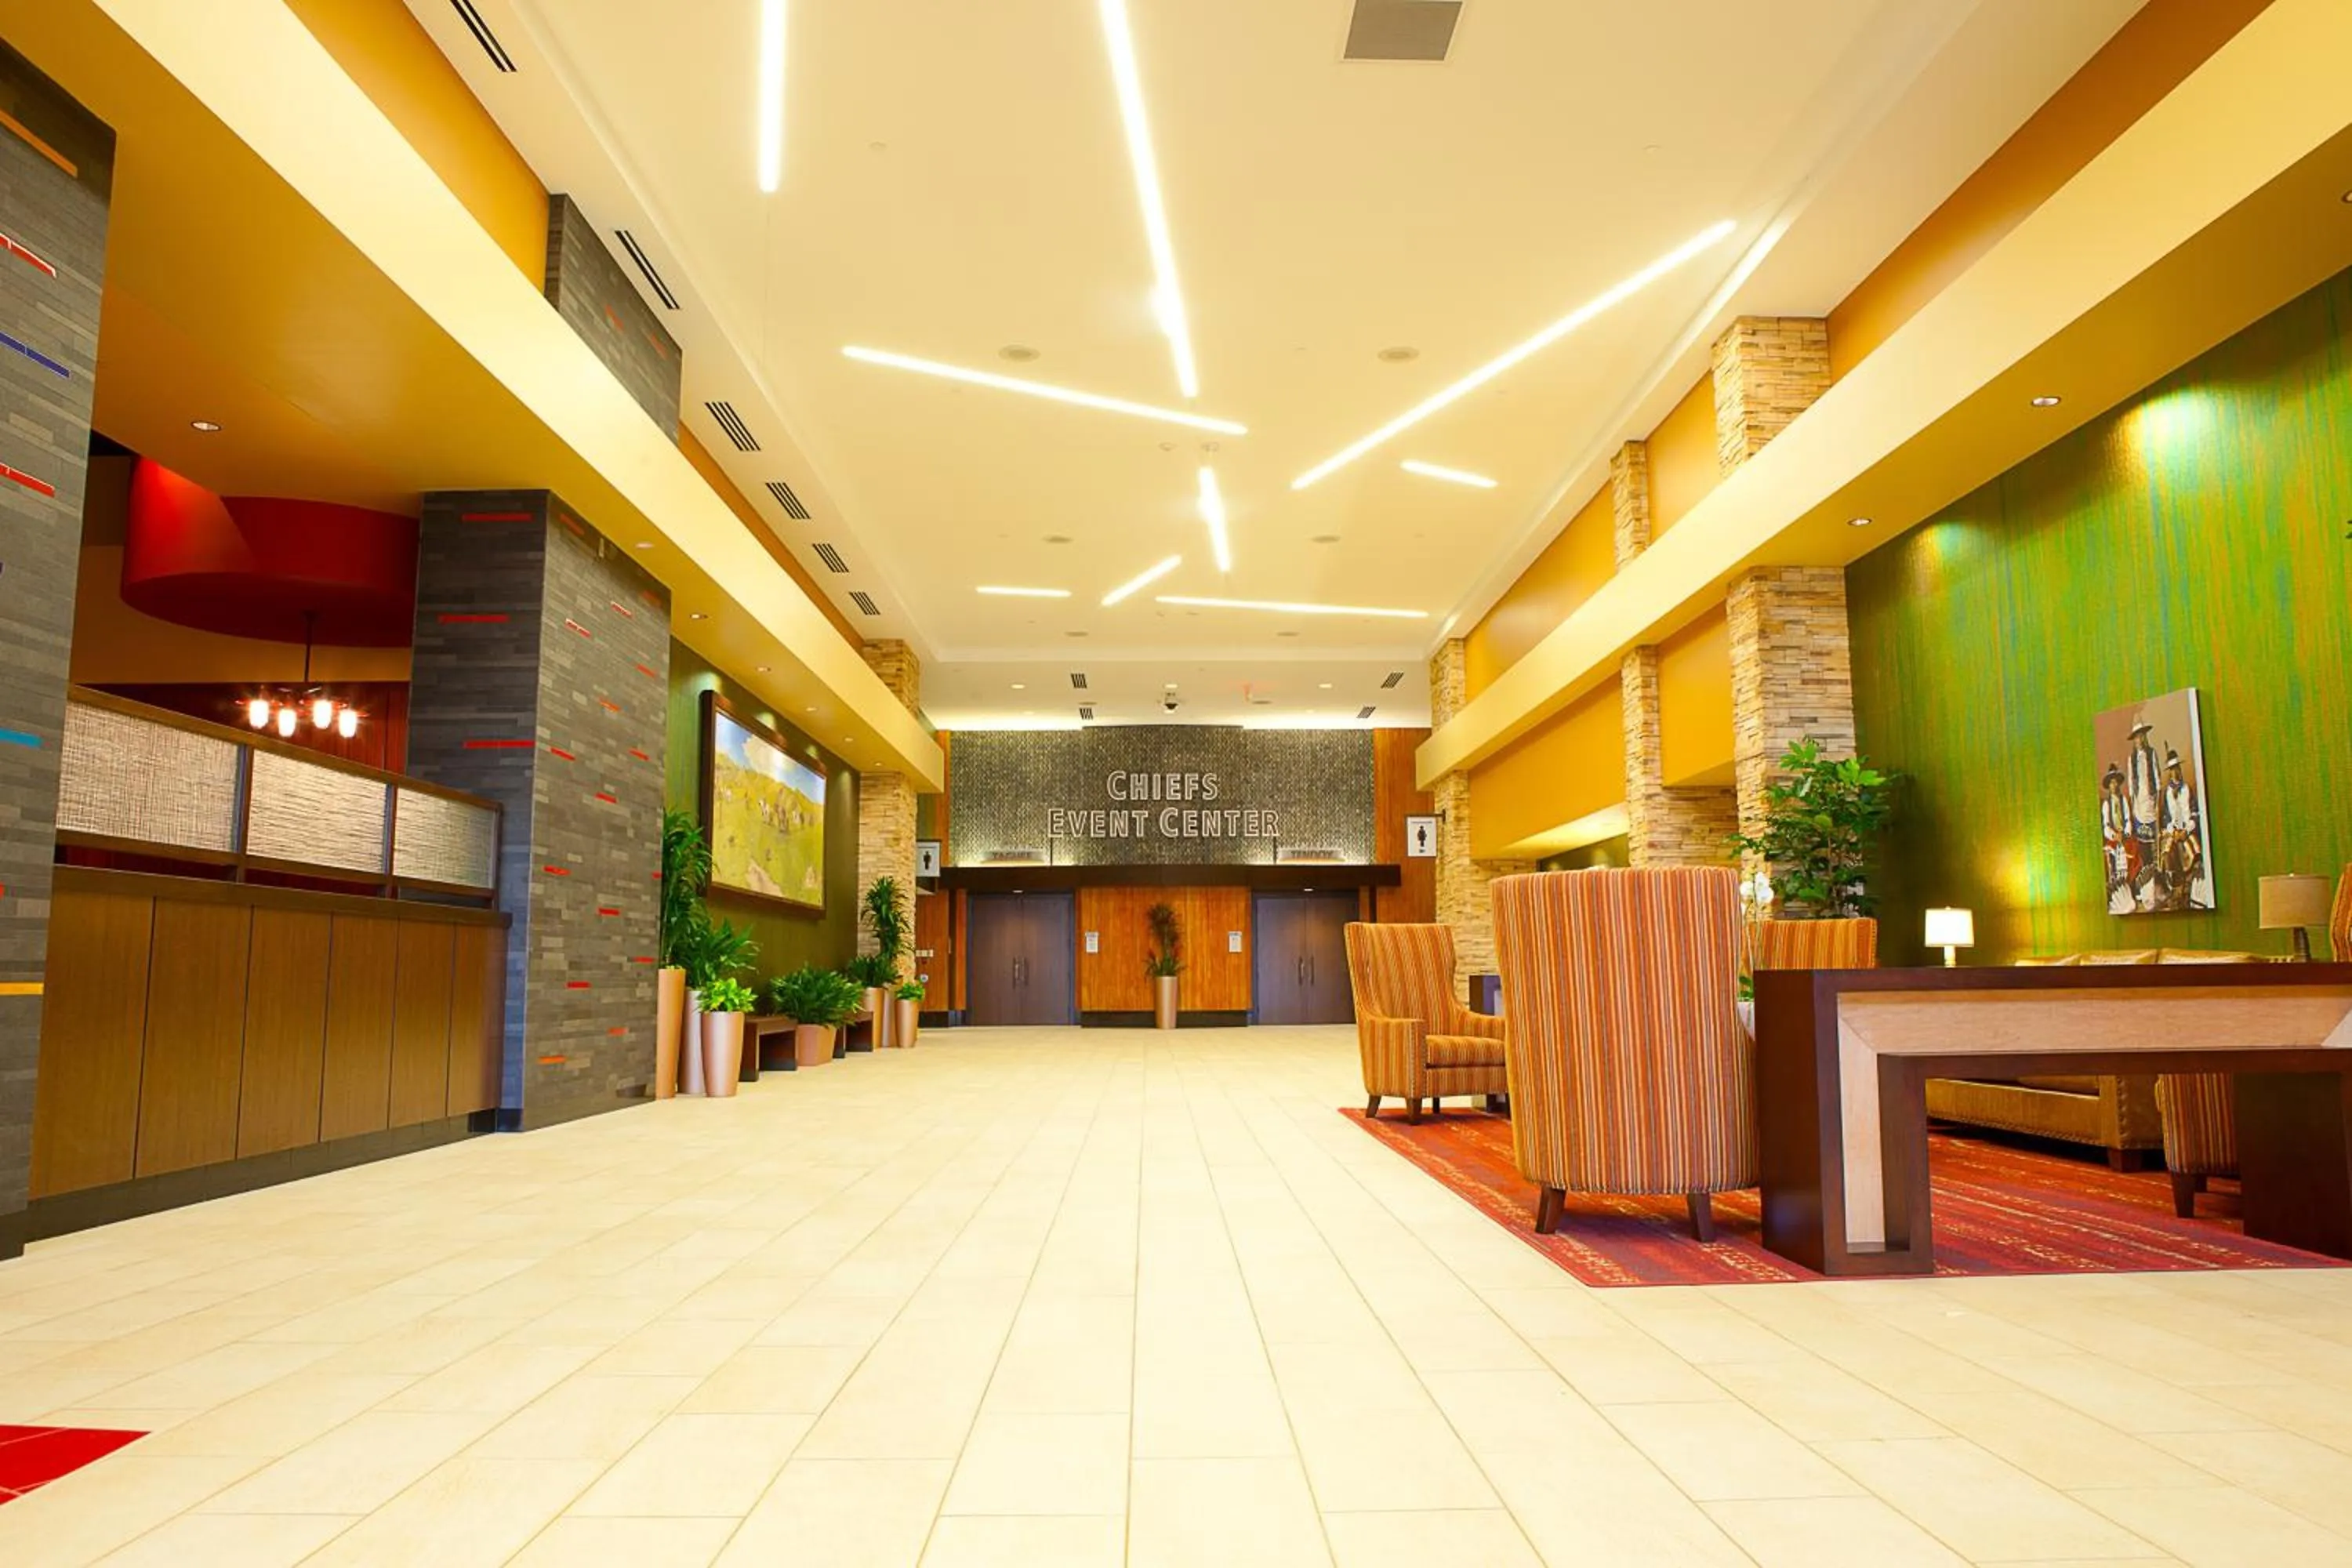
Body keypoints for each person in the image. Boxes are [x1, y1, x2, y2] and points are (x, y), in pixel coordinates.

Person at [2123, 719, 2163, 911]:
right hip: (2139, 806)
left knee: (2156, 843)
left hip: (2151, 803)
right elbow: (2131, 785)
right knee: (2143, 845)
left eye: (2141, 736)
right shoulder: (2131, 760)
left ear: (2144, 737)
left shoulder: (2151, 754)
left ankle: (2159, 882)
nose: (2139, 739)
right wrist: (2133, 809)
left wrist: (2157, 803)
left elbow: (2157, 778)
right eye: (2136, 737)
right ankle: (2147, 883)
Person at [2160, 749, 2205, 909]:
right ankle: (2176, 889)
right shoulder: (2167, 793)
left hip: (2187, 830)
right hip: (2175, 831)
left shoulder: (2187, 789)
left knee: (2194, 851)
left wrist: (2187, 829)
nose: (2175, 772)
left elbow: (2194, 812)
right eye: (2172, 770)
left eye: (2177, 768)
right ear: (2169, 773)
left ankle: (2191, 888)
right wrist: (2174, 831)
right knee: (2167, 852)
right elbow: (2166, 817)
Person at [2100, 764, 2134, 915]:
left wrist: (2125, 833)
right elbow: (2106, 825)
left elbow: (2128, 819)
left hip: (2124, 835)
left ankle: (2131, 887)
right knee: (2112, 855)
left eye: (2116, 782)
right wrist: (2114, 835)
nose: (2114, 785)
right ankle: (2118, 893)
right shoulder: (2107, 804)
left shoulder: (2124, 801)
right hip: (2114, 837)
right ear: (2108, 786)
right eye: (2111, 783)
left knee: (2133, 853)